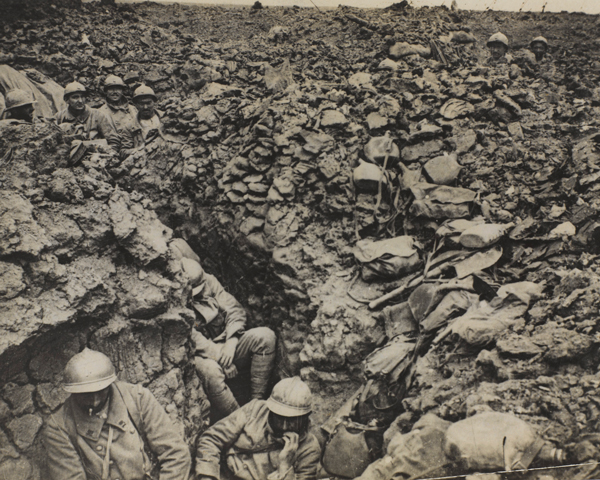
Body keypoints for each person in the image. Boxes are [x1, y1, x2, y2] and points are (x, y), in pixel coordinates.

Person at [44, 348, 191, 480]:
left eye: (101, 392)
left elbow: (176, 455)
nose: (95, 402)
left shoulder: (138, 398)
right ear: (73, 393)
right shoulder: (59, 426)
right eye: (86, 395)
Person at [181, 257, 276, 420]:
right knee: (211, 371)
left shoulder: (208, 281)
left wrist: (232, 341)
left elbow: (234, 309)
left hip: (225, 346)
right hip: (201, 355)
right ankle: (240, 421)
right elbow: (190, 335)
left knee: (265, 337)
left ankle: (256, 407)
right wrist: (220, 357)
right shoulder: (175, 295)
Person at [195, 377, 321, 480]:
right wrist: (207, 475)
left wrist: (285, 467)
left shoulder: (309, 449)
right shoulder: (255, 410)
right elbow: (211, 439)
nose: (283, 426)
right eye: (279, 417)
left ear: (305, 417)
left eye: (292, 420)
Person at [55, 81, 120, 152]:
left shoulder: (98, 115)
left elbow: (113, 141)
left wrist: (108, 153)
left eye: (82, 97)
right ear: (66, 100)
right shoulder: (59, 117)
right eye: (75, 97)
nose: (80, 101)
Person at [120, 85, 163, 159]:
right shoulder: (130, 127)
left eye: (148, 103)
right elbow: (123, 151)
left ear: (154, 102)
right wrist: (140, 150)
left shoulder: (165, 118)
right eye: (141, 104)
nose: (145, 107)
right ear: (136, 105)